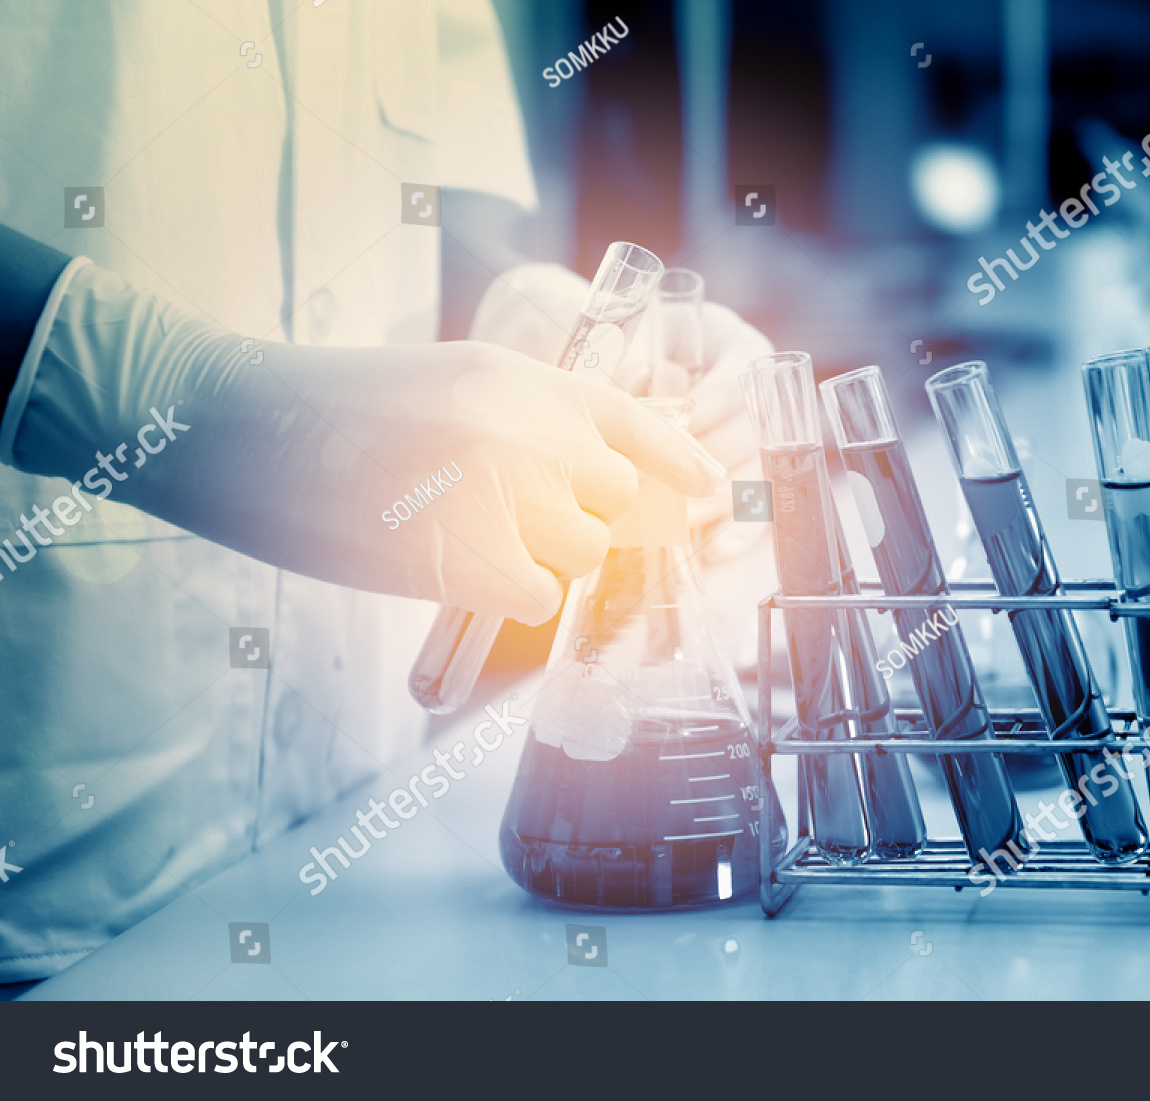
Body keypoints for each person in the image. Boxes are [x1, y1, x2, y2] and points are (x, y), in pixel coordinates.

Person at [0, 0, 768, 983]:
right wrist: (155, 388)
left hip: (358, 868)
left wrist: (522, 317)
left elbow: (412, 211)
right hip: (39, 901)